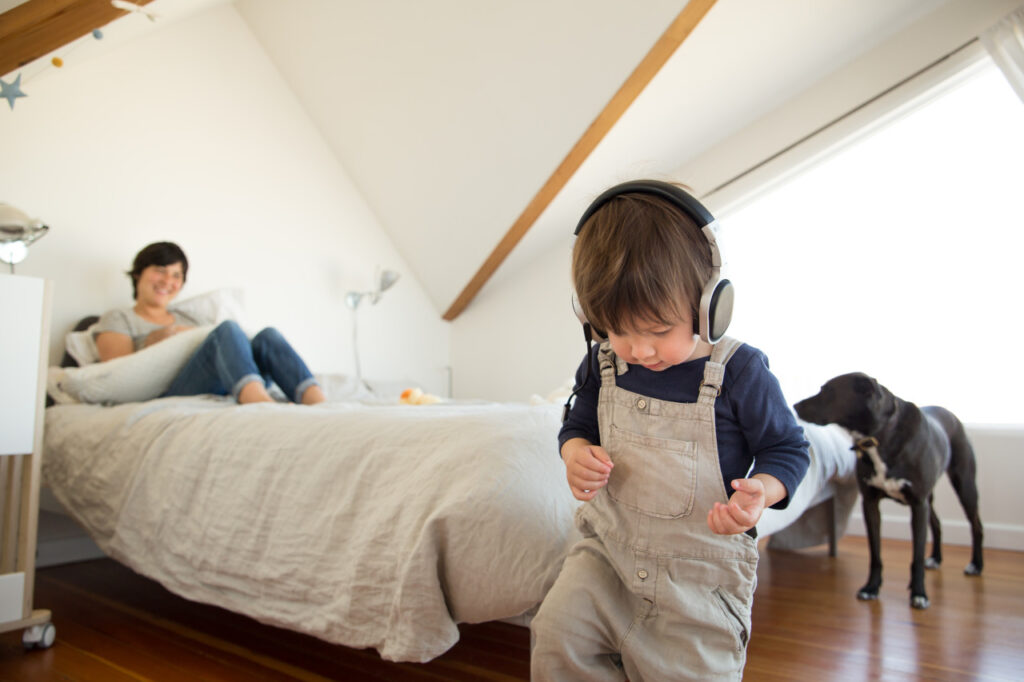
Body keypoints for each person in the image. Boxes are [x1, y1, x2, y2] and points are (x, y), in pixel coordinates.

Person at [530, 180, 810, 681]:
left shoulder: (741, 372)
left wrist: (761, 493)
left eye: (659, 331)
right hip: (606, 557)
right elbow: (577, 422)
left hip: (697, 577)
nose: (639, 350)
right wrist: (575, 452)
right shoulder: (604, 363)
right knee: (556, 636)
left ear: (709, 306)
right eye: (619, 330)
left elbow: (787, 448)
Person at [94, 241, 326, 405]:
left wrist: (180, 332)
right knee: (227, 329)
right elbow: (117, 377)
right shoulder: (120, 318)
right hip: (173, 389)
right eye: (160, 271)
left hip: (226, 379)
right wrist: (152, 343)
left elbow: (231, 350)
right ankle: (260, 403)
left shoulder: (190, 319)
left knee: (268, 336)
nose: (168, 280)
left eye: (176, 275)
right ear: (138, 274)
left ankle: (317, 402)